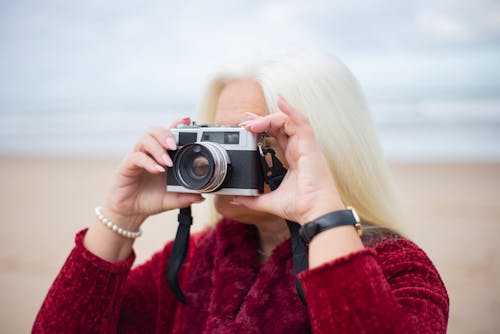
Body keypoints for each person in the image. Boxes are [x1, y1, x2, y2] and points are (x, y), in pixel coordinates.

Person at [33, 51, 449, 333]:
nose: (217, 157)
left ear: (321, 146)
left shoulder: (399, 268)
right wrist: (119, 216)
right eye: (216, 135)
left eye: (249, 137)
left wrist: (320, 210)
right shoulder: (196, 261)